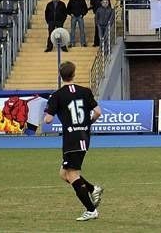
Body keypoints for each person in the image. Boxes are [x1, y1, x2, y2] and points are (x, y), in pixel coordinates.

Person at [43, 61, 103, 221]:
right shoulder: (85, 91)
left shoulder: (57, 95)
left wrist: (47, 112)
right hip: (83, 137)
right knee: (64, 174)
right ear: (74, 74)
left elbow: (48, 120)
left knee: (72, 175)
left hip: (71, 140)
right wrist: (87, 124)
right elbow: (98, 112)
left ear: (60, 76)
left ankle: (91, 210)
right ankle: (92, 188)